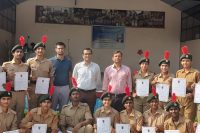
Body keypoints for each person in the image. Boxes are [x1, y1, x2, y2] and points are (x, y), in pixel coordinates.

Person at [2, 44, 29, 125]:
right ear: (13, 53)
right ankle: (8, 128)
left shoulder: (26, 66)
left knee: (20, 111)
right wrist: (7, 77)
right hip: (10, 92)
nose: (19, 53)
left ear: (23, 54)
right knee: (9, 110)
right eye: (17, 52)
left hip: (21, 92)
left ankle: (18, 128)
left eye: (21, 52)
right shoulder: (6, 65)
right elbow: (2, 80)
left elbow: (28, 78)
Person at [27, 41, 54, 109]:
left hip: (44, 88)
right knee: (32, 107)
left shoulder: (49, 62)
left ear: (44, 51)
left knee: (44, 107)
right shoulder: (30, 61)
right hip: (33, 88)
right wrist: (30, 79)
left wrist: (51, 90)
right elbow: (25, 75)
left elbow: (51, 76)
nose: (40, 50)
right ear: (35, 51)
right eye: (38, 49)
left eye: (42, 49)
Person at [73, 48, 101, 113]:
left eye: (89, 54)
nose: (87, 56)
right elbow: (74, 79)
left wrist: (95, 91)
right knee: (79, 111)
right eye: (85, 54)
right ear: (82, 55)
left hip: (91, 93)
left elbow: (98, 80)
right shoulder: (78, 66)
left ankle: (89, 123)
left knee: (90, 111)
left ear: (91, 55)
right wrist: (75, 91)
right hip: (80, 92)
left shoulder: (96, 66)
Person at [176, 46, 200, 121]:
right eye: (183, 61)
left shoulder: (196, 73)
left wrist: (193, 94)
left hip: (190, 102)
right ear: (181, 62)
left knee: (188, 122)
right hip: (179, 101)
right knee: (179, 121)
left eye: (187, 61)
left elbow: (199, 87)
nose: (185, 63)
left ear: (191, 62)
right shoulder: (178, 72)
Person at [49, 42, 72, 111]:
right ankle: (53, 121)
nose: (60, 50)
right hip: (54, 87)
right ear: (56, 49)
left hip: (65, 87)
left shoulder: (68, 61)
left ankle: (62, 122)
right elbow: (49, 75)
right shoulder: (50, 61)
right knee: (52, 106)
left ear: (64, 49)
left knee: (64, 108)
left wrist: (70, 87)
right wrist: (50, 88)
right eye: (59, 48)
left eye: (62, 48)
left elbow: (70, 74)